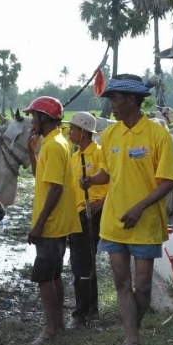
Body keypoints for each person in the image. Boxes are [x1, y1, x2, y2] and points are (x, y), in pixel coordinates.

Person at [81, 74, 173, 345]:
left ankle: (133, 331)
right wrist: (91, 180)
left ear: (132, 100)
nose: (112, 106)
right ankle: (132, 340)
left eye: (115, 99)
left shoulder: (157, 134)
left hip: (144, 222)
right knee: (122, 282)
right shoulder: (110, 134)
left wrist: (139, 208)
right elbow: (108, 173)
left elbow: (168, 181)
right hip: (113, 223)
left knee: (143, 286)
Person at [24, 96, 81, 345]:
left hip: (51, 224)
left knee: (45, 276)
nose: (31, 120)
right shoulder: (56, 142)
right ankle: (57, 327)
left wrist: (39, 224)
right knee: (54, 274)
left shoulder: (54, 146)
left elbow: (55, 189)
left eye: (34, 116)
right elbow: (43, 179)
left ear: (44, 118)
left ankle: (50, 330)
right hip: (55, 222)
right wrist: (31, 152)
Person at [66, 112, 107, 328]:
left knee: (84, 262)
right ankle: (90, 310)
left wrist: (102, 203)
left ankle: (82, 313)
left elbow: (113, 180)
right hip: (78, 215)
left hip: (95, 213)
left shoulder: (99, 153)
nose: (69, 132)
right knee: (81, 263)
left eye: (72, 128)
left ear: (83, 132)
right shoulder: (74, 157)